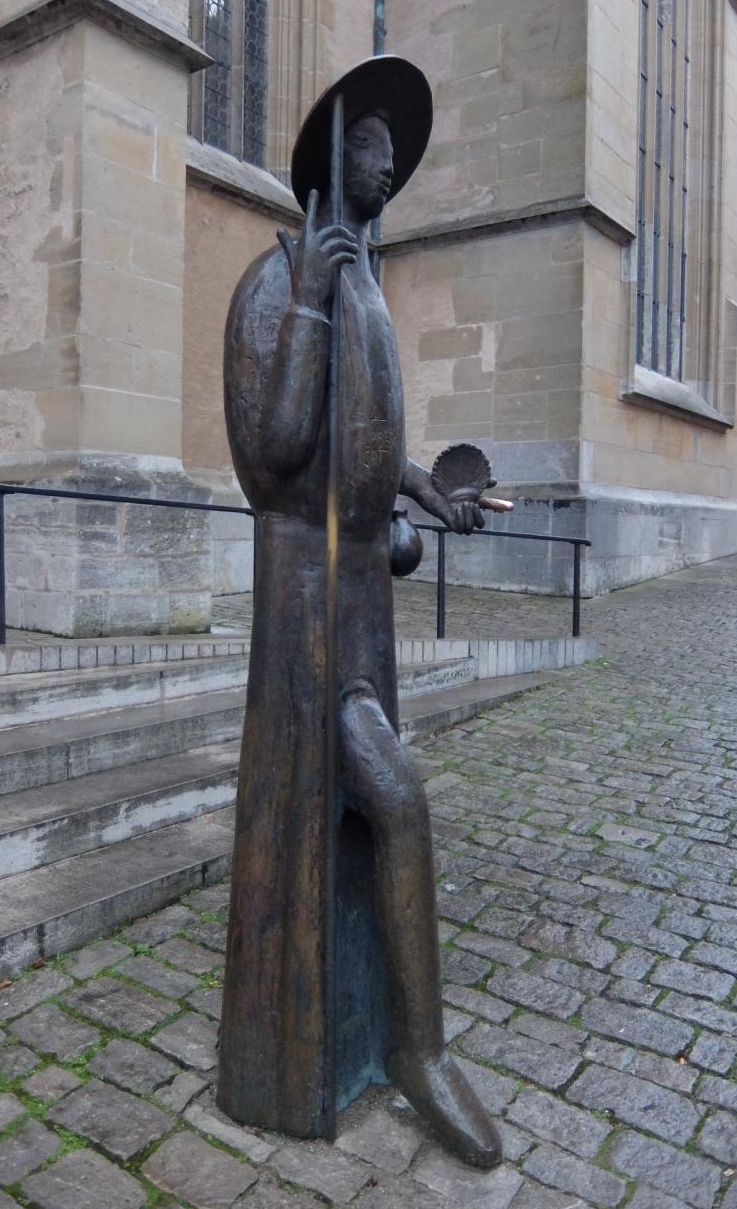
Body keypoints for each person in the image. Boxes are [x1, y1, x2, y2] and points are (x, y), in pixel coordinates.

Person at [216, 58, 501, 1167]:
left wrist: (426, 496)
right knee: (397, 797)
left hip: (361, 604)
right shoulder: (274, 284)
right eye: (373, 147)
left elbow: (371, 438)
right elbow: (276, 451)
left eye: (393, 151)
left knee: (373, 809)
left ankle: (383, 1036)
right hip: (307, 617)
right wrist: (308, 303)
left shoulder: (370, 290)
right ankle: (420, 1053)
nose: (390, 166)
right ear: (333, 162)